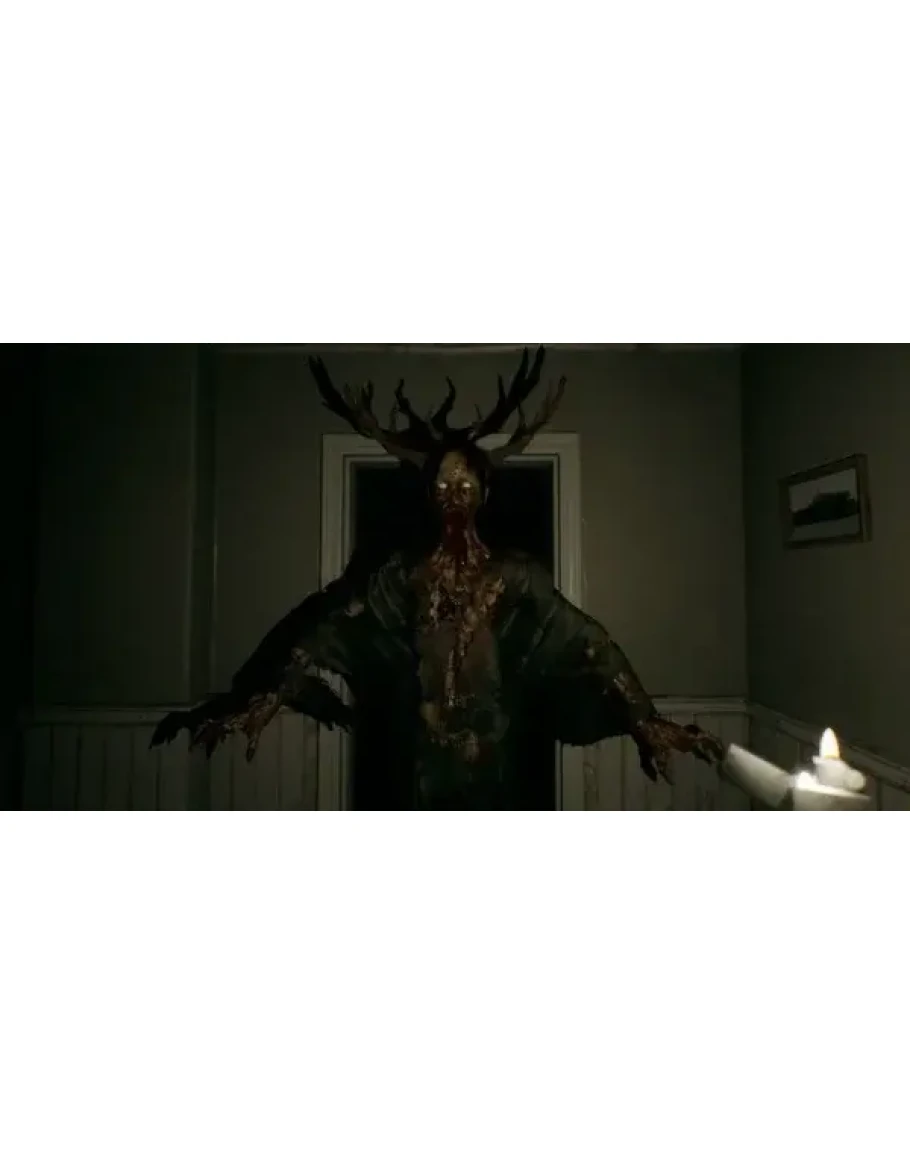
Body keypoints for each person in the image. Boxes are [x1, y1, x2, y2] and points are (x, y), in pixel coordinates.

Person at [152, 348, 724, 808]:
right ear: (430, 495)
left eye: (465, 484)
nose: (454, 494)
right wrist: (271, 694)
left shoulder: (514, 576)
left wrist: (642, 716)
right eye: (443, 485)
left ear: (483, 495)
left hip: (497, 768)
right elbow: (328, 628)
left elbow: (588, 641)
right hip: (417, 770)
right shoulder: (400, 575)